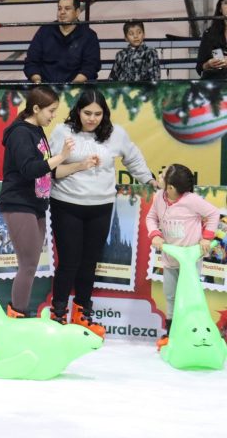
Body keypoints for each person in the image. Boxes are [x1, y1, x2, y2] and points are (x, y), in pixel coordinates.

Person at [48, 89, 157, 336]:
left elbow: (134, 159)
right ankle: (57, 313)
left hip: (101, 206)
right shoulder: (62, 132)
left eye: (98, 114)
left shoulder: (116, 134)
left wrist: (149, 180)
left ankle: (82, 312)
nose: (92, 118)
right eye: (87, 113)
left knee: (89, 262)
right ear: (77, 111)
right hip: (66, 204)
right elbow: (51, 164)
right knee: (69, 261)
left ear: (104, 114)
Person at [0, 86, 73, 317]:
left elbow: (46, 170)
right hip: (18, 202)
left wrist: (80, 165)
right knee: (29, 264)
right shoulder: (20, 133)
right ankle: (17, 314)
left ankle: (20, 312)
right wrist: (61, 156)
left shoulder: (37, 130)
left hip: (36, 204)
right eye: (51, 110)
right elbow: (29, 169)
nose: (53, 116)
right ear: (36, 108)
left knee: (30, 264)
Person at [146, 164, 219, 349]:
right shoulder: (159, 198)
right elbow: (150, 218)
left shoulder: (192, 200)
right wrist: (155, 234)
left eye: (162, 176)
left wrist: (207, 237)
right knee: (170, 295)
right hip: (170, 259)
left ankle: (191, 331)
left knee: (190, 296)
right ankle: (171, 332)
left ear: (171, 187)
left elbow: (213, 214)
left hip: (190, 261)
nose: (159, 176)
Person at [24, 0, 100, 83]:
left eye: (67, 9)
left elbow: (90, 66)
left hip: (77, 88)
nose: (62, 12)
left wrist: (72, 86)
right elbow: (31, 62)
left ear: (77, 12)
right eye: (59, 9)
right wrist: (37, 81)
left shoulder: (89, 36)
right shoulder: (44, 31)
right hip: (44, 88)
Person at [196, 0, 227, 80]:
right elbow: (199, 67)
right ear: (220, 8)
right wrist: (208, 64)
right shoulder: (209, 34)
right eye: (226, 2)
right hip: (215, 83)